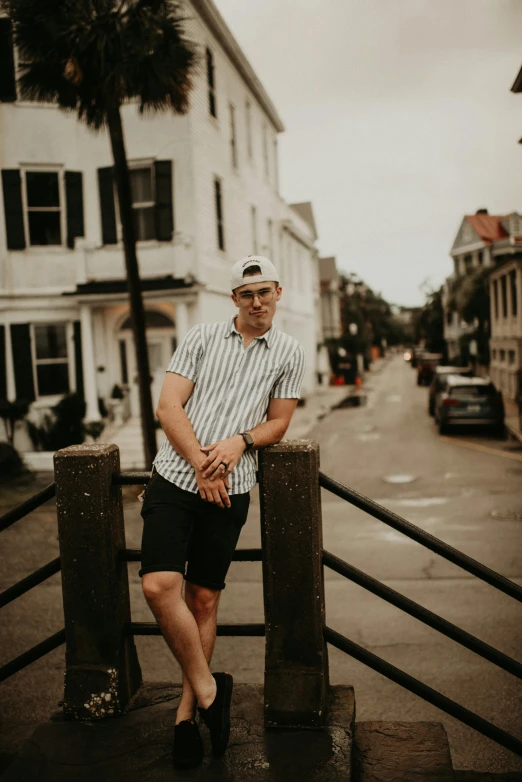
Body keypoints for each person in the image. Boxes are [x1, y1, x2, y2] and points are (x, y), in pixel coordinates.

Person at [139, 255, 305, 769]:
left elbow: (278, 423)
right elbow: (168, 407)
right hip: (175, 476)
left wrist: (239, 442)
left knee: (204, 598)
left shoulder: (289, 352)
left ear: (278, 292)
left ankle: (187, 717)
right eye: (245, 293)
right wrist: (202, 465)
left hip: (233, 488)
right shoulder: (201, 338)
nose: (256, 301)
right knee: (158, 586)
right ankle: (213, 691)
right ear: (233, 298)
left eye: (264, 291)